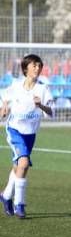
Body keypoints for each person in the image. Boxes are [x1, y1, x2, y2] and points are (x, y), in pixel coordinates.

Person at [0, 54, 53, 219]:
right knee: (23, 164)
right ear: (25, 68)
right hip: (14, 130)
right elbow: (3, 97)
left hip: (30, 134)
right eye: (34, 65)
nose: (37, 68)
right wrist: (4, 107)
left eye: (39, 66)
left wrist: (41, 106)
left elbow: (52, 112)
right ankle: (19, 205)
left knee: (18, 167)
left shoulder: (43, 89)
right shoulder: (16, 86)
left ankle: (6, 196)